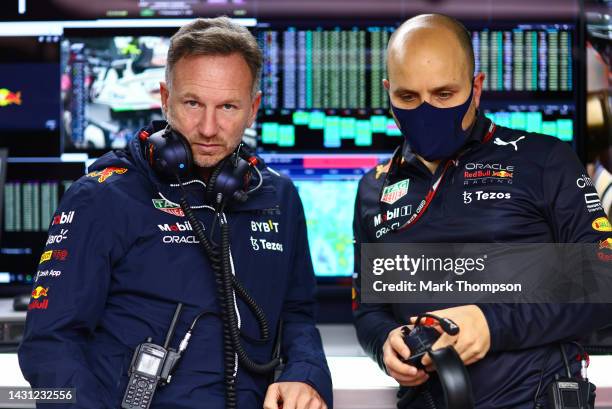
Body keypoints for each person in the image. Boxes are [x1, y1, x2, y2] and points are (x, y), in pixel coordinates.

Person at [19, 17, 331, 409]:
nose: (208, 127)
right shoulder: (101, 197)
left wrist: (306, 373)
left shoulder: (278, 197)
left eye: (228, 107)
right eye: (192, 103)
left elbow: (297, 315)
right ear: (165, 98)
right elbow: (48, 347)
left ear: (252, 109)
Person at [352, 13, 612, 409]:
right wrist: (385, 343)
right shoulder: (375, 188)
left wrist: (490, 325)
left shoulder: (543, 161)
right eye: (408, 97)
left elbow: (604, 279)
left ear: (476, 87)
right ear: (388, 93)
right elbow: (369, 310)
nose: (426, 110)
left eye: (443, 94)